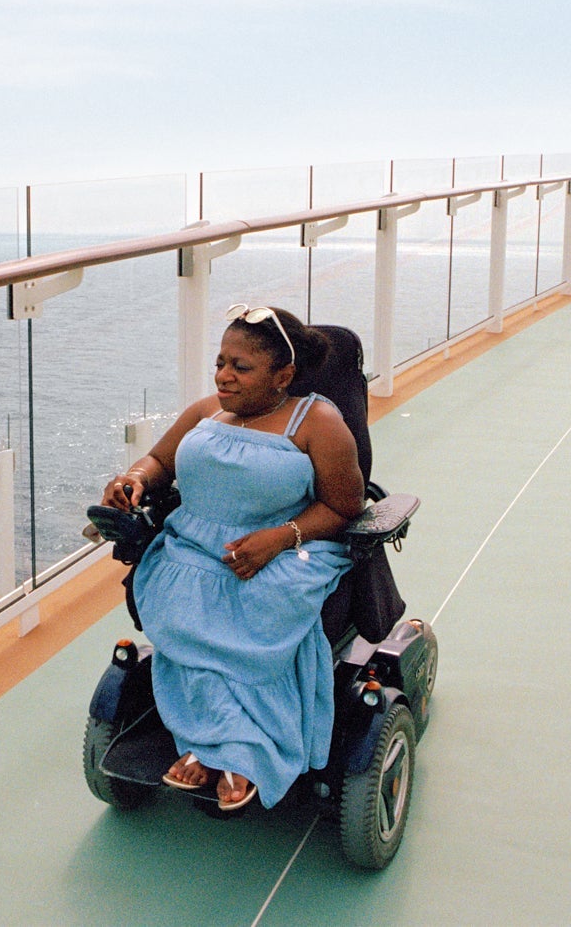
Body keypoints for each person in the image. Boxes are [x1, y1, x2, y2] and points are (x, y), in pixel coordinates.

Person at [99, 304, 365, 810]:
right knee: (183, 606)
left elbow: (344, 506)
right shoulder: (206, 413)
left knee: (261, 608)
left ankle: (232, 750)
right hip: (192, 547)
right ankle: (221, 744)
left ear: (282, 375)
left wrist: (280, 537)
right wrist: (133, 479)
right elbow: (158, 460)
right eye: (220, 363)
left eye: (240, 367)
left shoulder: (317, 421)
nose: (223, 376)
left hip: (289, 548)